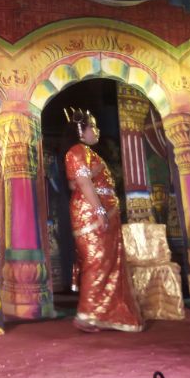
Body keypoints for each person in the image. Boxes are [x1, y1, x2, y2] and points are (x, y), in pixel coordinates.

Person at [63, 108, 144, 333]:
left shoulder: (88, 153)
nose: (97, 131)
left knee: (107, 263)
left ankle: (103, 314)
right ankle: (87, 314)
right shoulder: (77, 150)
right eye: (93, 127)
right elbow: (81, 183)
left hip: (102, 210)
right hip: (92, 213)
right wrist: (99, 210)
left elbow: (74, 183)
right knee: (97, 261)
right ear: (81, 131)